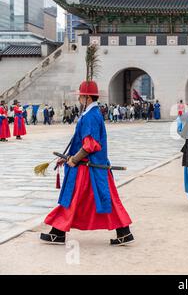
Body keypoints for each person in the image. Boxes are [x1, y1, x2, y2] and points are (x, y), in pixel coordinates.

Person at [41, 80, 134, 245]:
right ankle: (59, 232)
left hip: (88, 168)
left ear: (87, 98)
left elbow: (90, 145)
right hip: (90, 167)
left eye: (81, 96)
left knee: (76, 198)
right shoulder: (92, 114)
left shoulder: (91, 116)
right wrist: (67, 157)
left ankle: (58, 232)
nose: (79, 99)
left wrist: (74, 160)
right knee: (101, 198)